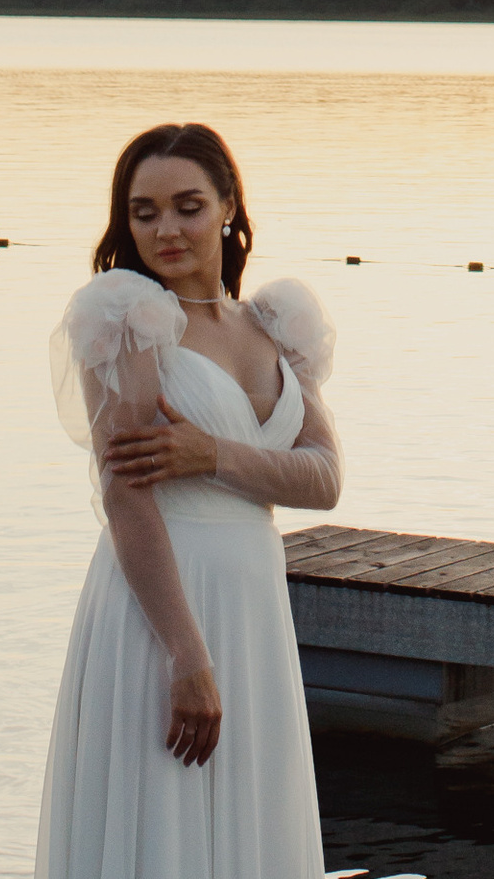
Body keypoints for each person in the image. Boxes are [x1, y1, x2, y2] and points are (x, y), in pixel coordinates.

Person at [35, 123, 342, 879]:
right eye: (143, 213)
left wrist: (214, 455)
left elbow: (324, 478)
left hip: (252, 606)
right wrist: (186, 653)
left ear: (229, 207)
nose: (165, 230)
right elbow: (126, 497)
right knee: (160, 818)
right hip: (161, 612)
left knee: (251, 820)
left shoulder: (273, 326)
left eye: (188, 207)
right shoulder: (127, 320)